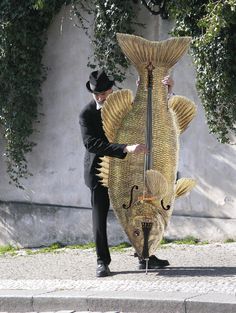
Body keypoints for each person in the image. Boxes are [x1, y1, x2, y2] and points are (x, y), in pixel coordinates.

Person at [79, 69, 174, 277]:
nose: (101, 97)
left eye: (104, 93)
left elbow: (147, 116)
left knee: (139, 213)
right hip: (99, 172)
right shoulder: (86, 114)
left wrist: (163, 91)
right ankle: (102, 261)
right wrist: (125, 148)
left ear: (112, 90)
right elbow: (91, 144)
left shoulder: (124, 106)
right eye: (97, 94)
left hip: (128, 172)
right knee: (99, 218)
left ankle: (145, 256)